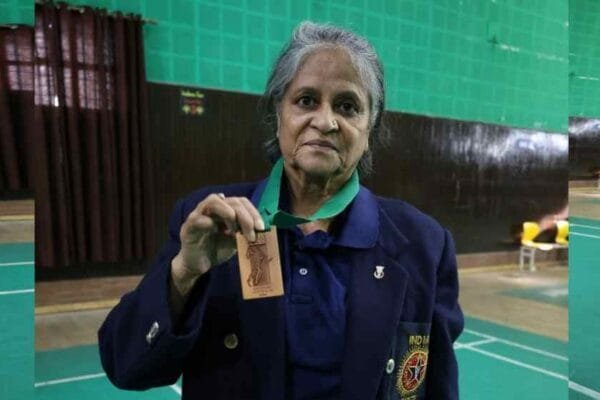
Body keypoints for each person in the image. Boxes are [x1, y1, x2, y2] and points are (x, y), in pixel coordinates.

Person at [98, 21, 463, 400]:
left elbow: (436, 386)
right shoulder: (209, 222)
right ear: (279, 116)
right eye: (306, 100)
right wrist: (185, 273)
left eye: (347, 106)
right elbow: (126, 366)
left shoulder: (424, 245)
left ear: (369, 129)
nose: (325, 122)